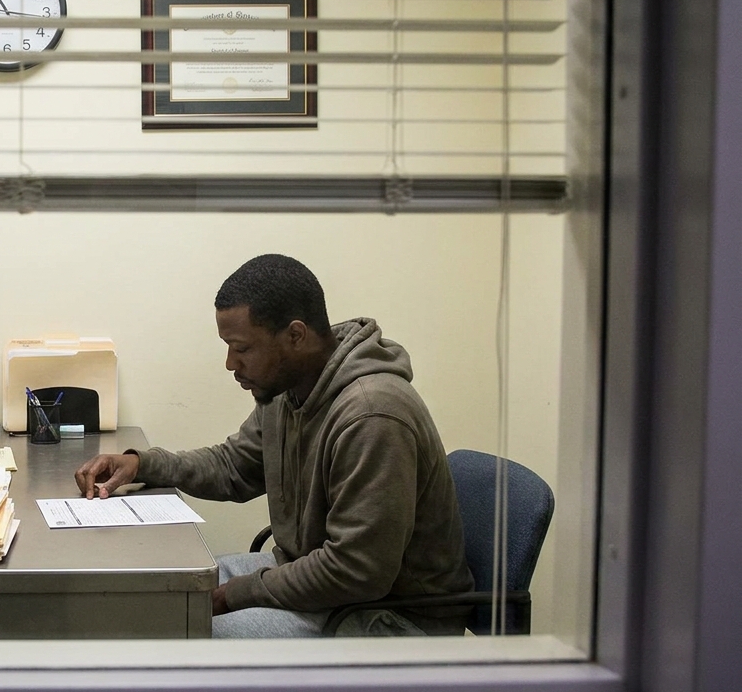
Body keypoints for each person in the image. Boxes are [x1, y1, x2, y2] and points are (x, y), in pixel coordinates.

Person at [74, 254, 473, 638]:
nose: (231, 363)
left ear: (295, 335)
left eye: (243, 348)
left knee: (188, 633)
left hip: (393, 619)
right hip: (325, 586)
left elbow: (356, 570)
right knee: (168, 598)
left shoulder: (372, 416)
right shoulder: (289, 392)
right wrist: (141, 464)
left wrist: (237, 594)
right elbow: (234, 467)